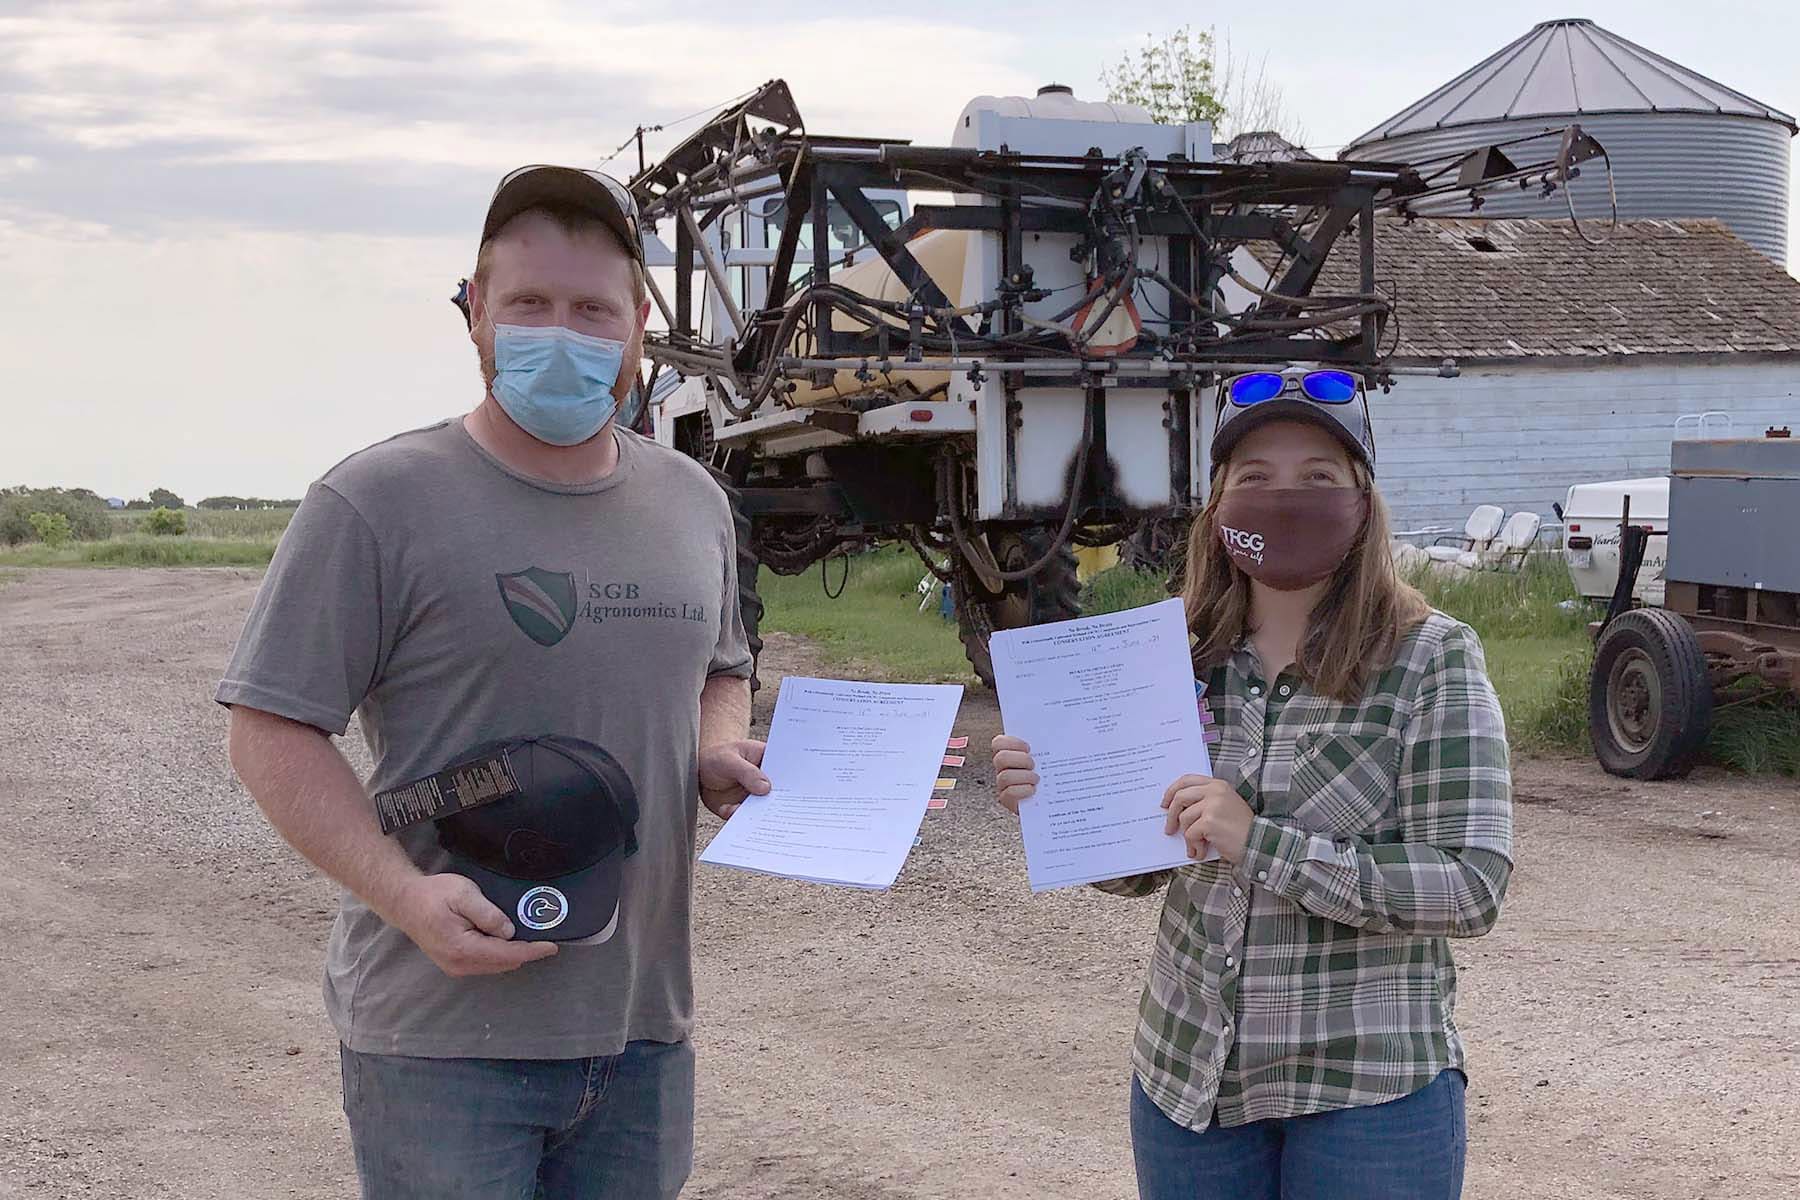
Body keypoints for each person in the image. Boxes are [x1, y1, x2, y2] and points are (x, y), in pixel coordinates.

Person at [217, 165, 771, 1199]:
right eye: (528, 305)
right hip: (440, 1042)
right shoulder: (375, 502)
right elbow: (271, 731)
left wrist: (714, 743)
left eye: (592, 309)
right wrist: (405, 894)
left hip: (644, 1033)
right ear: (474, 312)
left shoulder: (691, 501)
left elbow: (722, 668)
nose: (560, 333)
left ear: (638, 326)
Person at [991, 368, 1513, 1200]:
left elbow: (1470, 888)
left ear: (1363, 499)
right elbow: (1140, 871)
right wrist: (1056, 799)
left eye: (1318, 478)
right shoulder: (1173, 658)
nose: (1286, 498)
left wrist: (1259, 842)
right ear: (1219, 505)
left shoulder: (1431, 657)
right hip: (1188, 1084)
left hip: (1367, 1094)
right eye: (1256, 478)